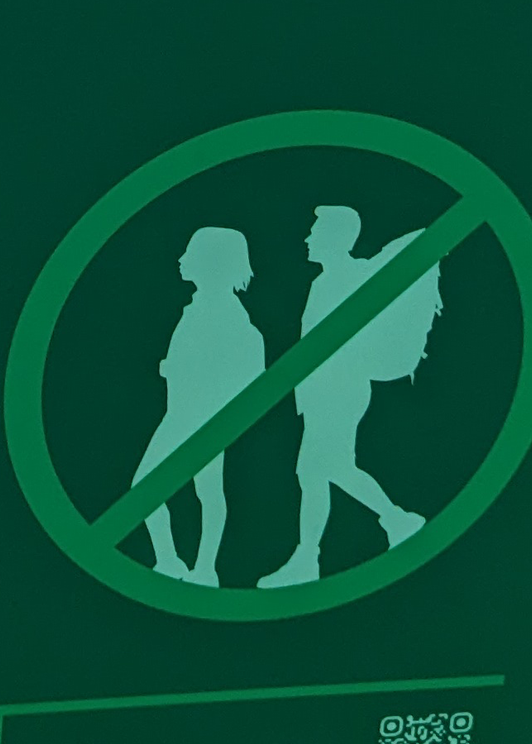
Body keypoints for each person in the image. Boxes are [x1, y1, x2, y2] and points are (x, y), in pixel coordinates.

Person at [258, 204, 440, 589]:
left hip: (342, 391)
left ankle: (318, 553)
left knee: (319, 470)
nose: (308, 238)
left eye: (315, 231)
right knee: (319, 471)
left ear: (336, 238)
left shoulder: (353, 277)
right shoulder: (321, 282)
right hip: (321, 392)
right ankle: (379, 526)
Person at [132, 225, 265, 585]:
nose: (181, 260)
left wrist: (180, 371)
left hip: (194, 418)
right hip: (185, 414)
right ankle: (178, 564)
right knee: (196, 491)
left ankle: (196, 566)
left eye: (191, 254)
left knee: (157, 488)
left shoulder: (223, 313)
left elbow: (248, 367)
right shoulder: (199, 308)